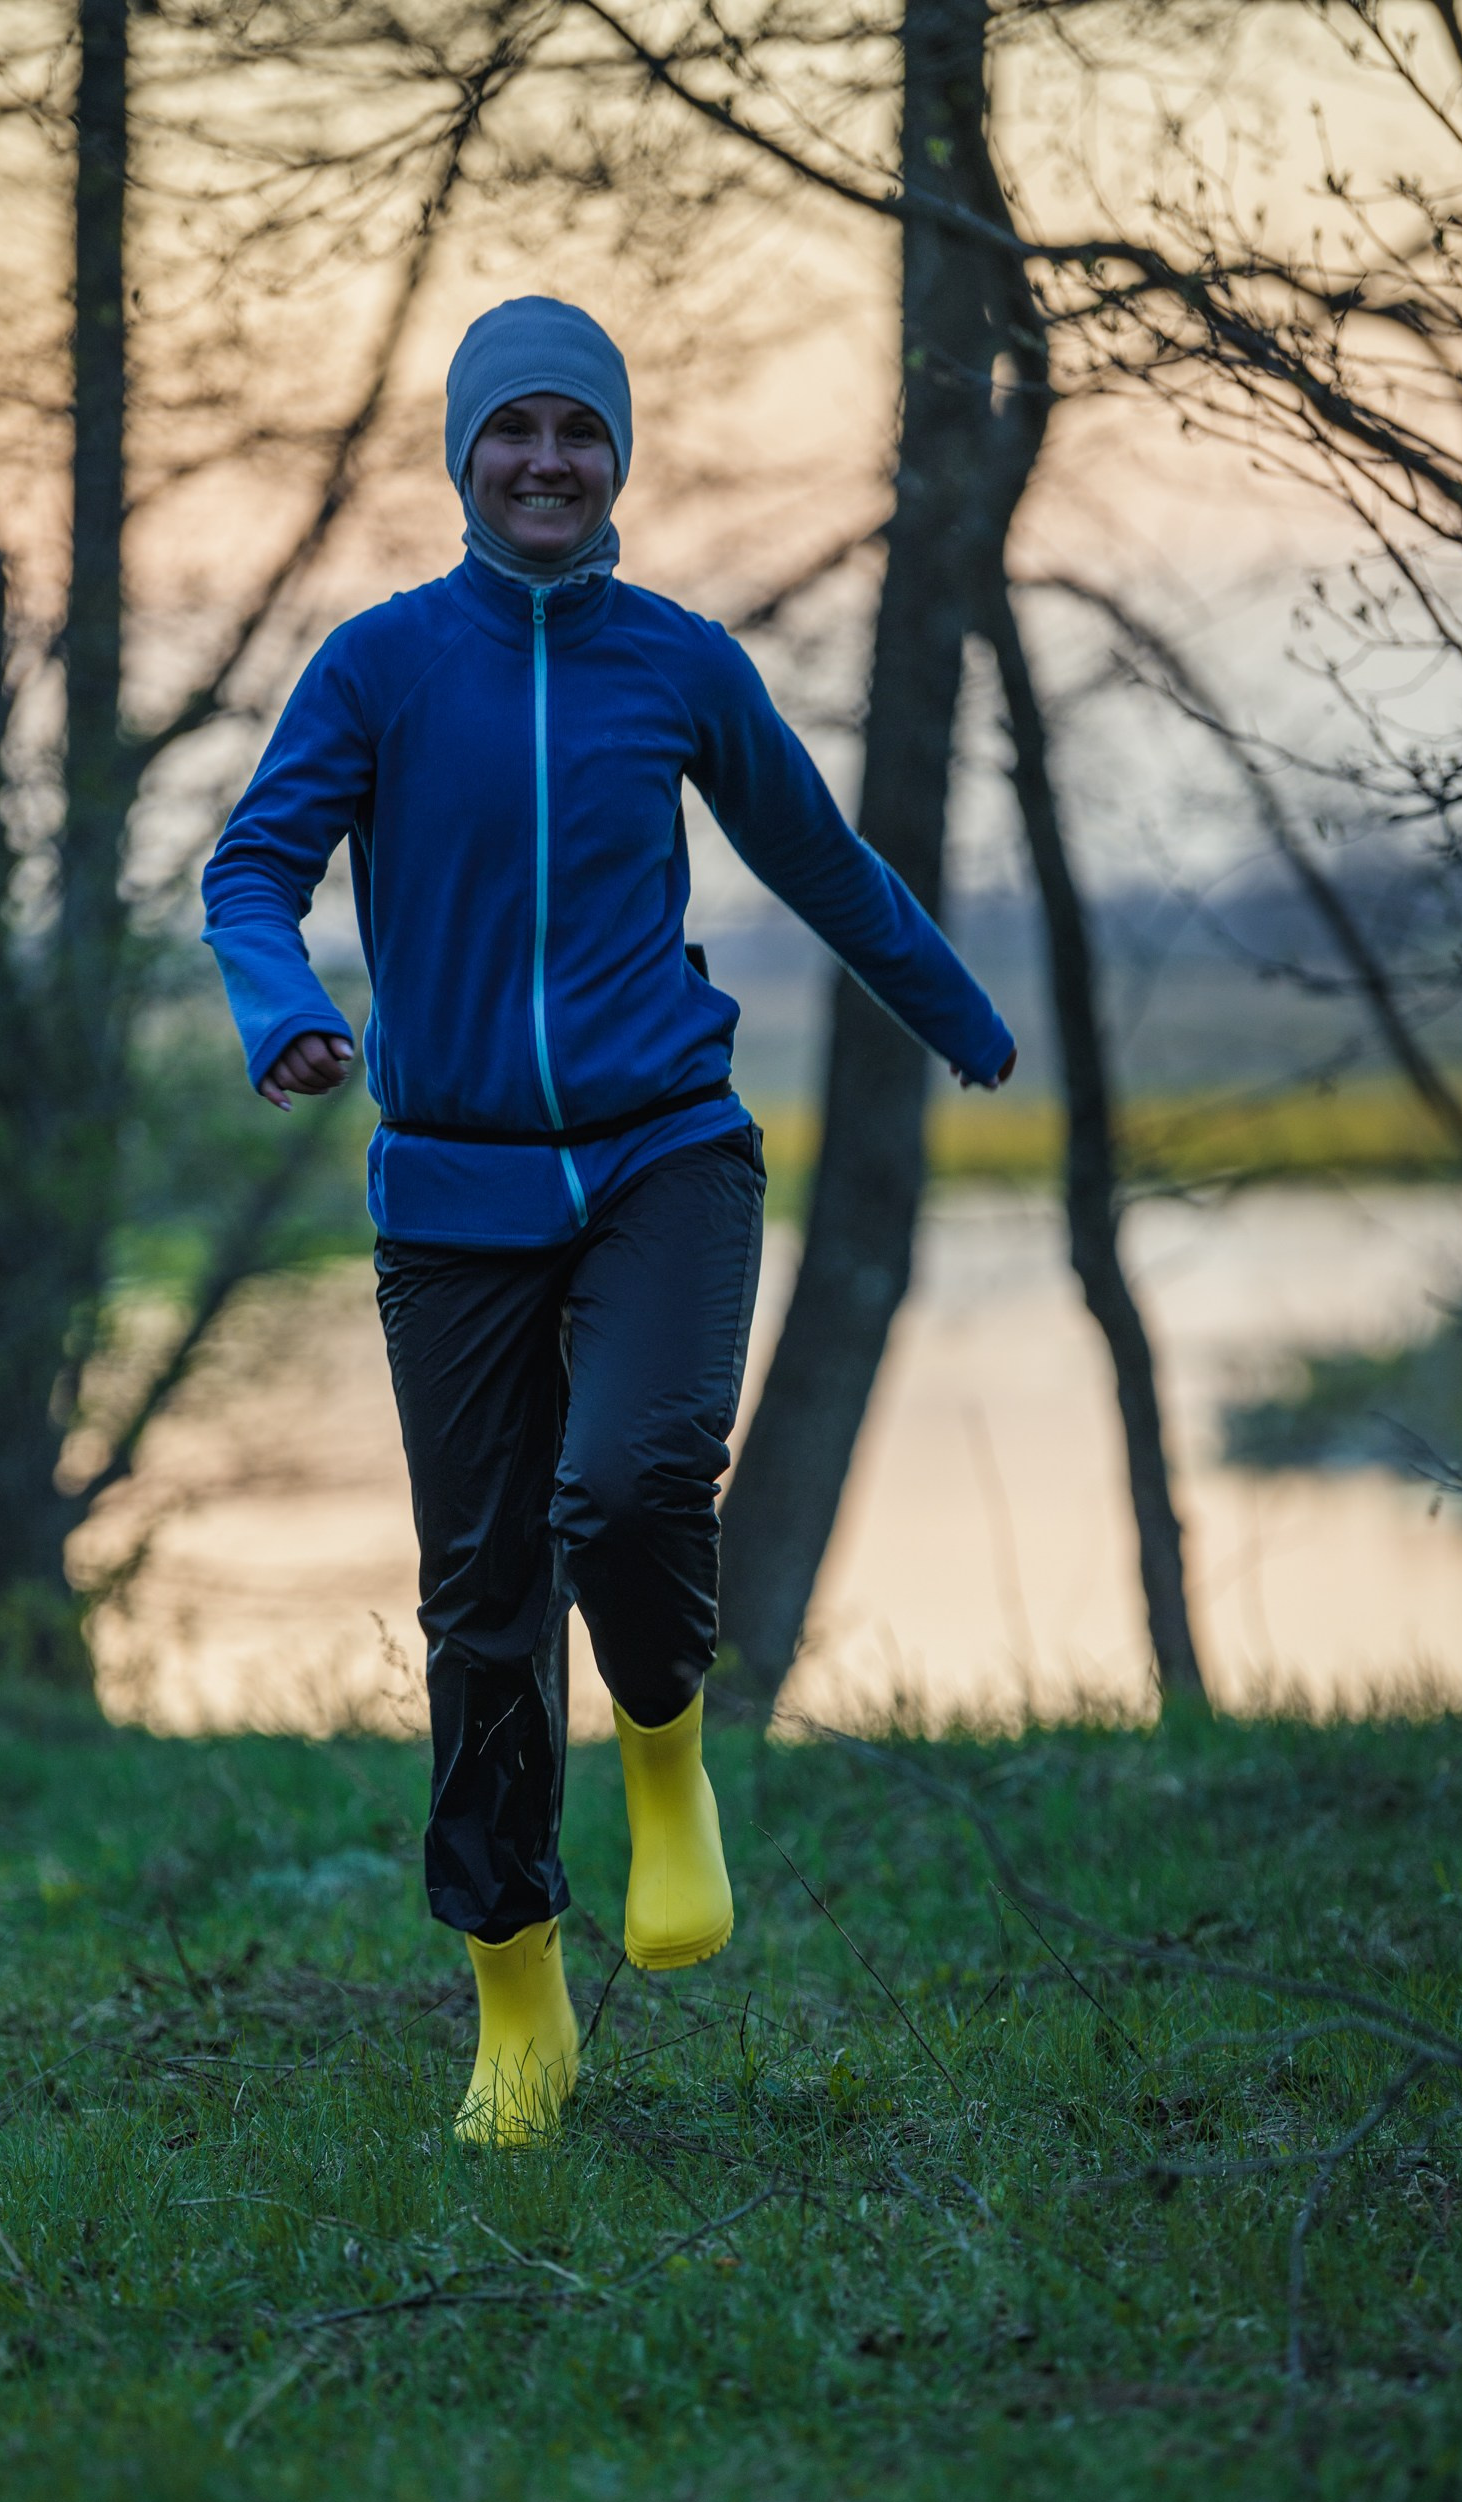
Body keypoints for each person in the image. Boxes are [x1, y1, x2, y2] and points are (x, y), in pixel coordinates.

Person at [202, 295, 1015, 2146]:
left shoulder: (679, 664)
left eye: (580, 430)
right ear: (466, 461)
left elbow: (819, 853)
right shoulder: (383, 666)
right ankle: (518, 1999)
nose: (548, 460)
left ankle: (665, 1754)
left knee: (635, 1483)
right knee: (483, 1605)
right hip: (455, 1190)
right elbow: (254, 865)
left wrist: (957, 1012)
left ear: (617, 457)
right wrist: (289, 1012)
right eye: (516, 431)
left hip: (665, 1149)